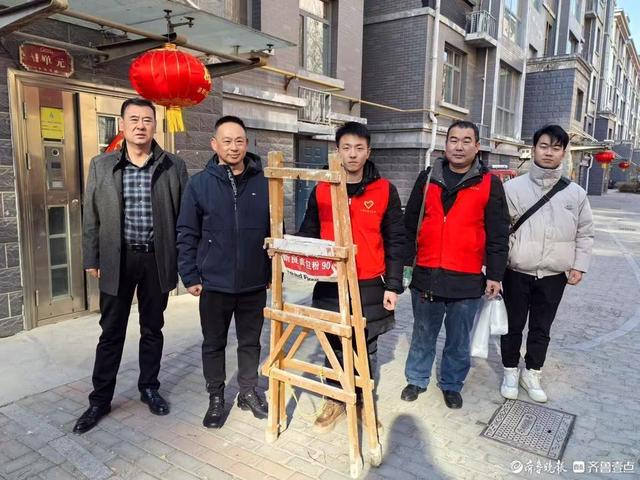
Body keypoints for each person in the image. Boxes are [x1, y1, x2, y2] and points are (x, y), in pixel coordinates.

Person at [74, 98, 188, 434]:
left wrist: (185, 261)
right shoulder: (101, 165)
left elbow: (184, 217)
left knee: (153, 328)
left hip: (156, 258)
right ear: (122, 125)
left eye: (147, 119)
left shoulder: (173, 165)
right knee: (111, 332)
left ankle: (149, 387)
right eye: (134, 119)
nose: (141, 125)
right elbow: (91, 215)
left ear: (155, 125)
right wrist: (92, 257)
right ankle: (99, 400)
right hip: (117, 258)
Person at [297, 121, 405, 433]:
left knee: (366, 347)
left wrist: (393, 285)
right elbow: (309, 232)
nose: (353, 154)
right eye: (346, 147)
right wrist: (289, 251)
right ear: (337, 151)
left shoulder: (384, 190)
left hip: (370, 283)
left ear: (368, 151)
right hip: (331, 283)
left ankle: (360, 401)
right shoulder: (322, 189)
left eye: (359, 148)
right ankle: (334, 400)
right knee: (333, 344)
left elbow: (396, 240)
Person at [401, 121, 509, 409]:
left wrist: (495, 275)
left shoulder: (489, 184)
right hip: (427, 273)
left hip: (467, 278)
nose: (459, 147)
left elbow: (498, 234)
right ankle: (416, 378)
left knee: (459, 339)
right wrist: (404, 265)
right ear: (445, 144)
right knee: (423, 333)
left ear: (477, 146)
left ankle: (451, 384)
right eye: (453, 140)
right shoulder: (427, 178)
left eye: (466, 141)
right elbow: (409, 225)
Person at [177, 115, 270, 428]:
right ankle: (216, 396)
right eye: (227, 141)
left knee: (251, 342)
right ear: (214, 144)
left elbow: (275, 230)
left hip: (253, 282)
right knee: (213, 343)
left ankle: (248, 391)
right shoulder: (199, 184)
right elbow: (187, 231)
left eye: (239, 141)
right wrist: (190, 275)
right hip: (214, 282)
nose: (234, 147)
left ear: (247, 144)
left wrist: (273, 271)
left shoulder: (264, 183)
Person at [500, 124, 594, 403]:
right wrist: (495, 269)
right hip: (516, 271)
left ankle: (532, 373)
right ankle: (509, 371)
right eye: (543, 146)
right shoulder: (512, 188)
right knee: (512, 326)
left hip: (554, 275)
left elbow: (585, 232)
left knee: (542, 327)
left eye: (556, 148)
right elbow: (498, 231)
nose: (549, 152)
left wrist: (579, 265)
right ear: (533, 150)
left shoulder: (576, 194)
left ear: (563, 153)